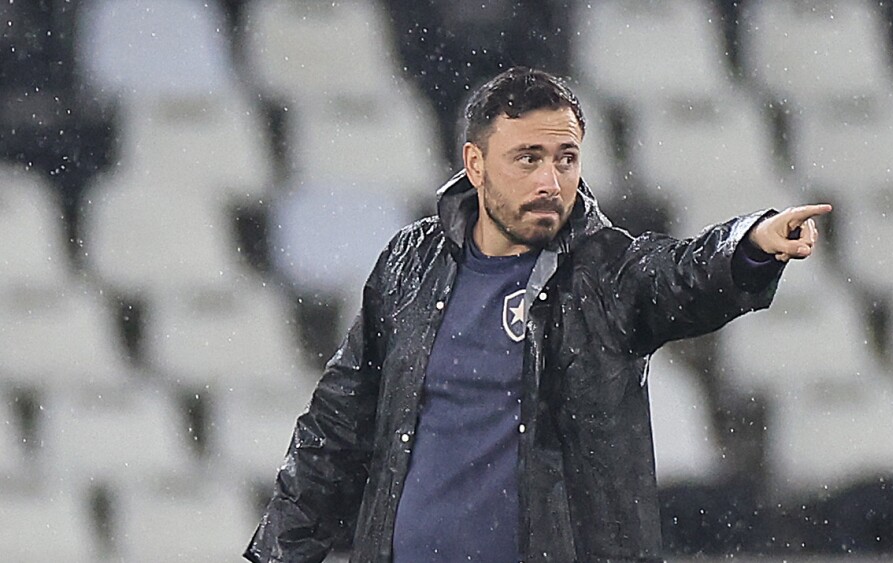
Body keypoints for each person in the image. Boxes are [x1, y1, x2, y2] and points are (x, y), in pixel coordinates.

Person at [244, 67, 831, 563]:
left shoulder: (604, 273)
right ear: (475, 164)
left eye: (566, 158)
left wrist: (748, 245)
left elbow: (682, 275)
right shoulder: (407, 266)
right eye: (528, 158)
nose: (551, 181)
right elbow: (334, 435)